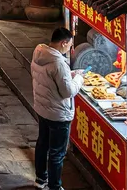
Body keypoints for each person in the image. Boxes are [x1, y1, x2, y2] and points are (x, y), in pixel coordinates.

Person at [32, 27, 84, 190]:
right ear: (64, 43)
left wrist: (71, 74)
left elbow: (50, 79)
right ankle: (55, 186)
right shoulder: (58, 62)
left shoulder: (39, 52)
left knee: (42, 144)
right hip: (58, 113)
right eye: (69, 45)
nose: (70, 48)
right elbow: (67, 91)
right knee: (57, 152)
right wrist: (80, 79)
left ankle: (41, 179)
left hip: (43, 108)